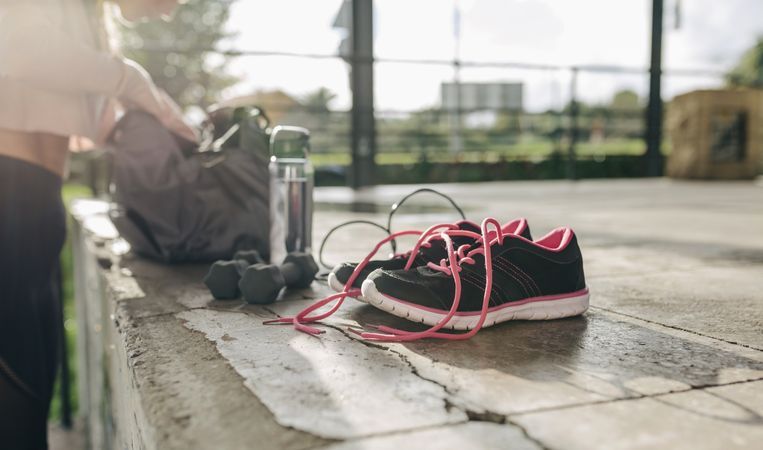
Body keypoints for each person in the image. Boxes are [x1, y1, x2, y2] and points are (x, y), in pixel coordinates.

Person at [0, 1, 196, 448]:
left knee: (30, 396)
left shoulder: (84, 15)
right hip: (9, 200)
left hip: (30, 204)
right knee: (14, 399)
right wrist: (130, 79)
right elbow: (18, 48)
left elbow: (85, 110)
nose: (169, 12)